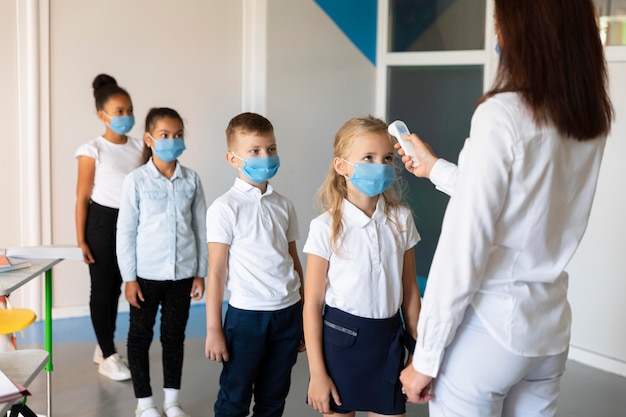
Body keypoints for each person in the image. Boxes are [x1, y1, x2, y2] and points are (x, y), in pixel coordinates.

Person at [398, 1, 614, 416]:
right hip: (548, 332)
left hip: (489, 332)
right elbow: (522, 204)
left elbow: (465, 246)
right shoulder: (589, 116)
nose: (496, 31)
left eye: (499, 21)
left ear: (520, 30)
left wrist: (425, 358)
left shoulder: (503, 113)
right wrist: (436, 169)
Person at [303, 116, 422, 417]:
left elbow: (410, 295)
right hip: (340, 345)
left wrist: (420, 353)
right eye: (368, 158)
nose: (379, 166)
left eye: (387, 159)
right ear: (341, 165)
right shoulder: (324, 227)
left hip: (388, 342)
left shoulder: (401, 219)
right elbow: (313, 304)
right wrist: (318, 374)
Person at [205, 112, 305, 417]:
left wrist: (302, 316)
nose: (266, 157)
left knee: (274, 397)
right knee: (234, 398)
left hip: (287, 313)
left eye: (271, 149)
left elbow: (293, 259)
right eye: (255, 151)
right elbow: (217, 271)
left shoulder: (284, 205)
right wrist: (213, 328)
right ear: (233, 158)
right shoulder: (224, 208)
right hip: (246, 316)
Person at [116, 107, 207, 417]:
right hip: (145, 275)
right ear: (149, 139)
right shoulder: (136, 180)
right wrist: (129, 278)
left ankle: (172, 401)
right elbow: (125, 231)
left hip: (182, 274)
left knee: (173, 337)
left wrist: (200, 272)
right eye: (165, 135)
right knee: (139, 337)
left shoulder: (191, 179)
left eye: (178, 135)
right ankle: (144, 404)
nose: (172, 140)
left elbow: (201, 228)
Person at [74, 73, 143, 381]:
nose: (126, 116)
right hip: (101, 223)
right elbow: (82, 197)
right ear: (102, 115)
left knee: (123, 285)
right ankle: (108, 353)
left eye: (129, 110)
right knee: (103, 290)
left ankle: (104, 347)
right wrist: (81, 241)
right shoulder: (92, 150)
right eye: (119, 112)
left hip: (133, 223)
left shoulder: (142, 146)